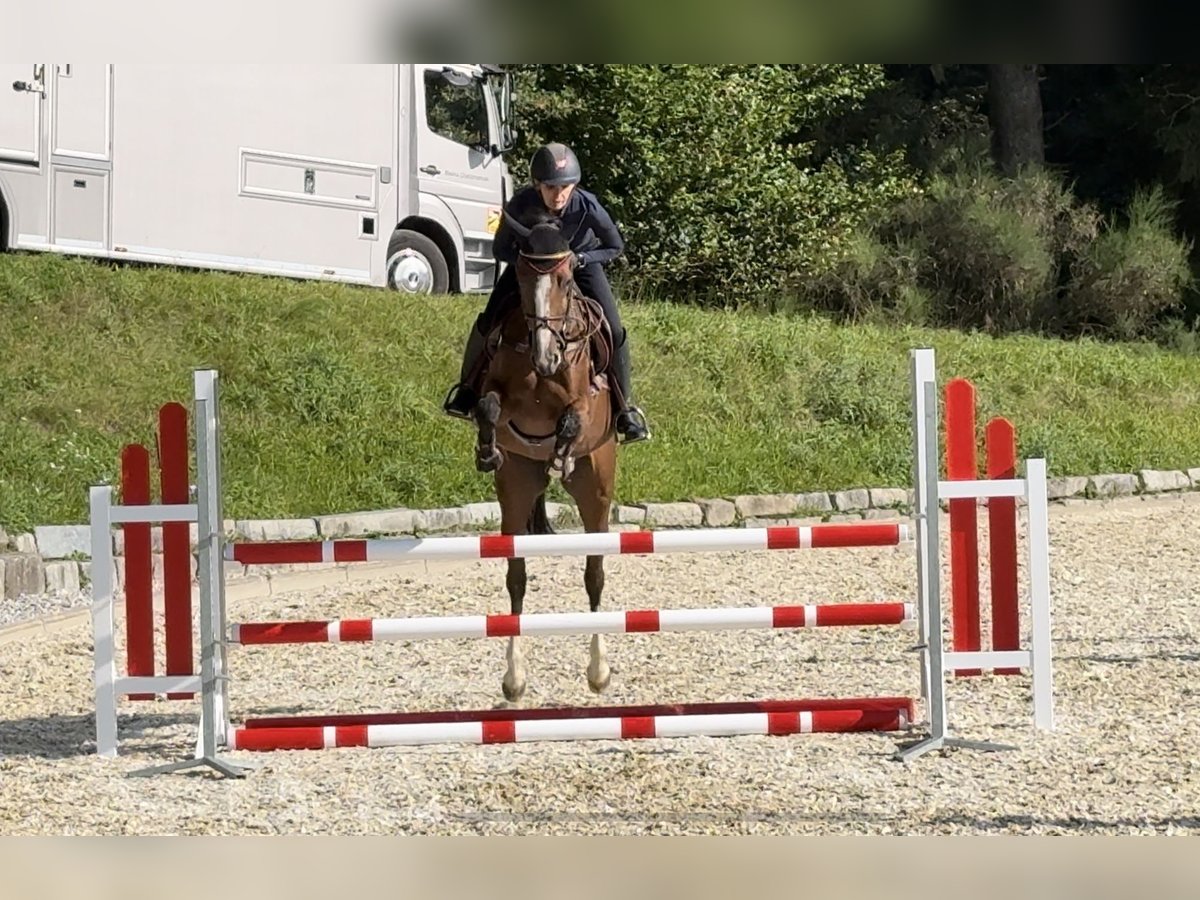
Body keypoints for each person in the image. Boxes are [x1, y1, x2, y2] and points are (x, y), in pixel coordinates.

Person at [442, 142, 650, 444]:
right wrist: (530, 266)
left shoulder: (587, 206)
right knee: (489, 320)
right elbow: (500, 248)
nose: (559, 194)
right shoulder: (520, 205)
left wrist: (581, 260)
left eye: (566, 186)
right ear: (537, 184)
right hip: (531, 269)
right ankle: (467, 390)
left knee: (613, 330)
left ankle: (624, 410)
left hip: (580, 265)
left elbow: (614, 246)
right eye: (551, 186)